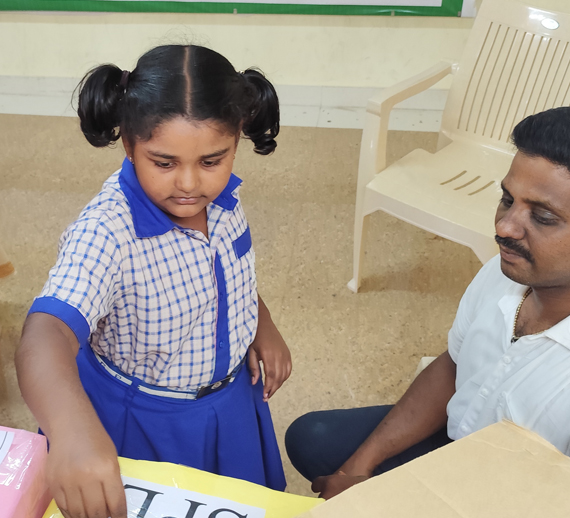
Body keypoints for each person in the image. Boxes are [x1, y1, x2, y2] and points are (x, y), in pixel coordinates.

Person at [16, 44, 292, 518]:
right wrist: (71, 432)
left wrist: (260, 323)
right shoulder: (106, 232)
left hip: (230, 404)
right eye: (164, 163)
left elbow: (224, 270)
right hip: (145, 422)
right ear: (129, 145)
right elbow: (45, 334)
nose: (189, 184)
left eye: (212, 160)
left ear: (237, 138)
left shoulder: (225, 199)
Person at [286, 106, 570, 500]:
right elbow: (453, 366)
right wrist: (356, 469)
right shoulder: (503, 272)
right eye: (507, 200)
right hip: (459, 446)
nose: (505, 227)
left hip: (518, 499)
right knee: (312, 438)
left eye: (543, 217)